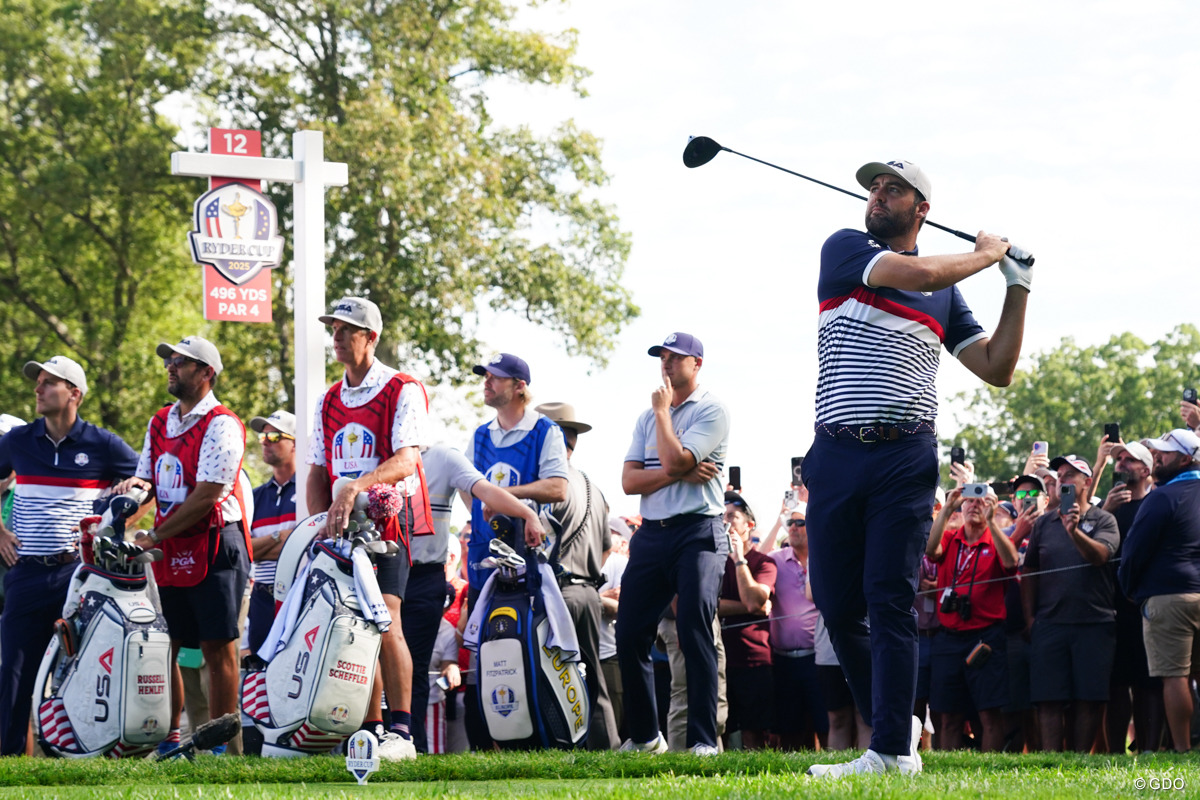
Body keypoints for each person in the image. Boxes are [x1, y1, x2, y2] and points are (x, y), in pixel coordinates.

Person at [803, 159, 1030, 777]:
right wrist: (987, 254)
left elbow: (997, 367)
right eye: (874, 187)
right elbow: (920, 270)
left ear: (921, 209)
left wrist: (1016, 285)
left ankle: (891, 751)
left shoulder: (946, 294)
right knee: (836, 604)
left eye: (893, 188)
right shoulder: (846, 249)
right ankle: (898, 719)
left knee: (890, 598)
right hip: (836, 450)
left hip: (905, 456)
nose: (878, 195)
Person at [306, 297, 433, 760]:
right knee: (353, 623)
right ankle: (371, 726)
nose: (336, 336)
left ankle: (402, 731)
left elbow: (407, 458)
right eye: (333, 328)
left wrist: (354, 488)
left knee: (386, 619)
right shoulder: (327, 399)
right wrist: (318, 523)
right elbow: (317, 470)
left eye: (347, 329)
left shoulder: (402, 388)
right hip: (340, 527)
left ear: (371, 337)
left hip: (387, 521)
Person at [115, 336, 250, 754]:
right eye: (169, 361)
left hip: (215, 542)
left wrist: (155, 535)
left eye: (181, 361)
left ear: (207, 373)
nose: (170, 367)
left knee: (216, 647)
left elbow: (207, 494)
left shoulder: (222, 423)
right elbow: (148, 483)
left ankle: (219, 749)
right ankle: (171, 740)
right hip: (171, 543)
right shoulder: (159, 422)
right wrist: (124, 509)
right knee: (167, 644)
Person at [0, 356, 138, 756]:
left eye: (48, 382)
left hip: (79, 575)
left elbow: (144, 481)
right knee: (13, 673)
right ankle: (9, 763)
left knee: (86, 670)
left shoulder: (103, 443)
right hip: (26, 572)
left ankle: (82, 755)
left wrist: (125, 509)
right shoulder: (18, 440)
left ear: (74, 393)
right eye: (38, 382)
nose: (37, 389)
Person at [616, 331, 730, 755]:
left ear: (696, 363)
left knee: (694, 628)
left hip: (698, 531)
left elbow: (673, 458)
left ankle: (703, 739)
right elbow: (630, 482)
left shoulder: (712, 409)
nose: (666, 363)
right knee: (629, 631)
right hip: (652, 532)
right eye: (662, 357)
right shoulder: (646, 418)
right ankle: (645, 736)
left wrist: (664, 417)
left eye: (675, 357)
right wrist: (679, 470)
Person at [409, 441, 544, 752]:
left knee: (415, 669)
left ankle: (410, 744)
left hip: (423, 575)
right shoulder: (379, 457)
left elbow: (484, 490)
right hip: (383, 570)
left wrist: (527, 514)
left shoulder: (444, 456)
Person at [534, 401, 620, 749]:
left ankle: (559, 748)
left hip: (555, 593)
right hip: (588, 593)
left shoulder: (547, 485)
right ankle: (605, 748)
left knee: (549, 676)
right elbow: (606, 548)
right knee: (594, 678)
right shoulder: (592, 487)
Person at [1021, 454, 1119, 752]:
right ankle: (1052, 759)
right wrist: (1030, 619)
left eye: (1070, 475)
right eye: (1059, 475)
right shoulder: (1044, 523)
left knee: (1088, 698)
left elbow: (1101, 556)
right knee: (1048, 698)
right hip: (1050, 623)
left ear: (1087, 482)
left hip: (1094, 622)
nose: (1062, 480)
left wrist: (1073, 531)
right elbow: (1029, 571)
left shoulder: (1104, 519)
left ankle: (1080, 759)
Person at [1118, 429, 1200, 752]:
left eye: (1165, 452)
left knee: (1174, 676)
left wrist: (1129, 588)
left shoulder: (1162, 497)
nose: (1157, 457)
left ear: (1186, 459)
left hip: (1168, 597)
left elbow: (1134, 551)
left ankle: (1181, 750)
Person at [466, 353, 568, 598]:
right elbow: (463, 484)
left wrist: (497, 497)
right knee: (476, 624)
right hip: (483, 553)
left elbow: (557, 488)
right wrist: (480, 512)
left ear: (519, 386)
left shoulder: (545, 430)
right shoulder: (480, 434)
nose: (486, 382)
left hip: (526, 555)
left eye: (496, 377)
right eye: (486, 376)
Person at [925, 487, 1018, 751]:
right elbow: (931, 551)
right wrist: (947, 507)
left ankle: (990, 767)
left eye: (981, 501)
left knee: (989, 713)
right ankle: (948, 768)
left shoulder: (995, 538)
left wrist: (991, 522)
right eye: (969, 501)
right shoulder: (950, 538)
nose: (974, 505)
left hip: (985, 637)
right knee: (948, 715)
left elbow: (1011, 563)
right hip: (949, 636)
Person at [1100, 439, 1165, 753]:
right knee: (1115, 684)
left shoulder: (1158, 504)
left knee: (1148, 683)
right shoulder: (1107, 508)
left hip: (1147, 606)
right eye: (1118, 459)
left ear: (1146, 469)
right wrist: (1106, 510)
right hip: (1111, 608)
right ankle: (1114, 752)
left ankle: (1149, 749)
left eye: (1129, 459)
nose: (1121, 464)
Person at [717, 491, 776, 750]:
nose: (726, 522)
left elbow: (754, 600)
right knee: (721, 729)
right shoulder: (714, 561)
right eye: (722, 517)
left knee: (754, 733)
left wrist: (739, 559)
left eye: (732, 517)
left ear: (749, 525)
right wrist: (753, 607)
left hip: (754, 660)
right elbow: (709, 604)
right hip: (720, 659)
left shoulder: (764, 563)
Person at [769, 507, 827, 750]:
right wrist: (776, 522)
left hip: (819, 658)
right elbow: (754, 560)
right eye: (790, 522)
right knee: (789, 729)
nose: (793, 527)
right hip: (784, 660)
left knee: (825, 725)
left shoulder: (825, 556)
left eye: (800, 522)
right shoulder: (776, 559)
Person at [245, 410, 297, 657]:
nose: (265, 442)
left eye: (274, 437)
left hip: (298, 596)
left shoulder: (310, 490)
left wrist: (261, 546)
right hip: (262, 598)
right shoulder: (255, 496)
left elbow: (305, 547)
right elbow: (245, 550)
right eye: (263, 437)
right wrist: (280, 537)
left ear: (295, 443)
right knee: (261, 670)